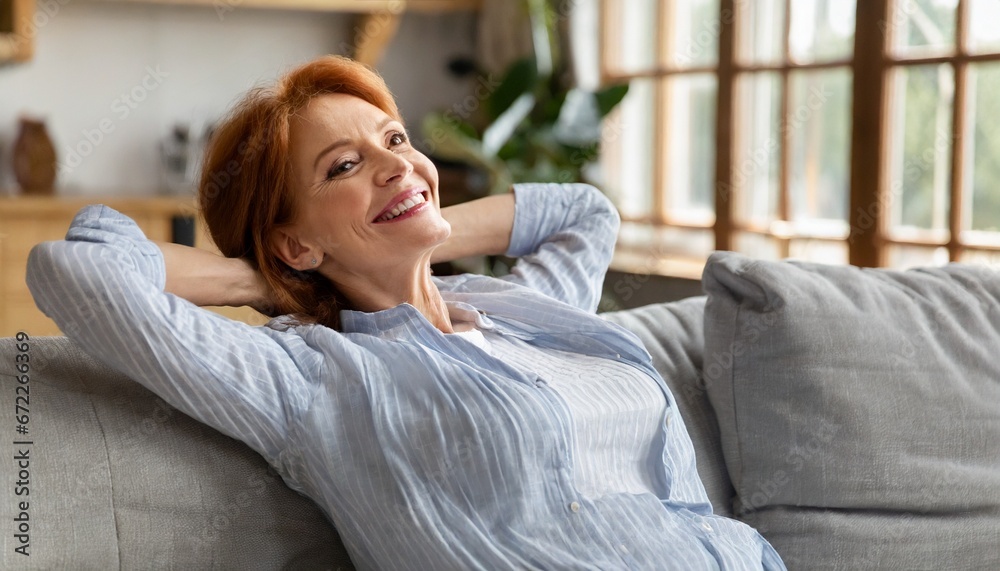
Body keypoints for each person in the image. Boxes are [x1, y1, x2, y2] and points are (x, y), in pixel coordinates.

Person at [27, 55, 785, 570]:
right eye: (345, 166)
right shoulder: (310, 377)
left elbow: (583, 214)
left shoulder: (521, 311)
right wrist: (262, 279)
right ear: (294, 242)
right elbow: (79, 268)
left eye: (394, 139)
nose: (398, 163)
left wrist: (425, 218)